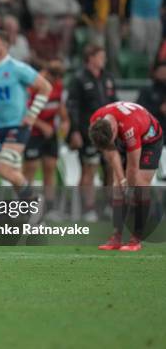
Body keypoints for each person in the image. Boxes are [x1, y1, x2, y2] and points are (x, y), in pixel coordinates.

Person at [0, 31, 52, 201]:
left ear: (6, 46)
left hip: (18, 125)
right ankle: (30, 213)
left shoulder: (18, 68)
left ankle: (37, 203)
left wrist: (32, 116)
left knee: (2, 169)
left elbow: (46, 87)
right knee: (14, 173)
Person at [89, 102, 163, 251]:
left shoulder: (129, 127)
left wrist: (129, 189)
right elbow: (111, 152)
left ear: (114, 129)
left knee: (140, 186)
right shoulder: (95, 120)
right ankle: (116, 237)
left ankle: (136, 239)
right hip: (125, 136)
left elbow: (133, 167)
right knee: (117, 185)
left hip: (150, 140)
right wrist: (121, 180)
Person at [67, 44, 117, 221]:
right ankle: (88, 208)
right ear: (91, 58)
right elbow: (72, 106)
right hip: (87, 132)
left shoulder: (108, 78)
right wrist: (74, 131)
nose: (104, 59)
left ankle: (109, 206)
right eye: (101, 56)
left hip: (107, 133)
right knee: (89, 168)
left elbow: (114, 104)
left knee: (111, 168)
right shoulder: (79, 79)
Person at [23, 60, 70, 215]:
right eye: (53, 79)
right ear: (47, 74)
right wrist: (42, 126)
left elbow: (60, 106)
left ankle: (49, 208)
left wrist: (65, 121)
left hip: (50, 134)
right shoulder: (33, 85)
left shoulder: (58, 84)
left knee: (50, 167)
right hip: (32, 133)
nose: (56, 83)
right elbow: (24, 113)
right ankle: (25, 207)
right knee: (30, 169)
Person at [136, 61, 166, 140]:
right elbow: (139, 108)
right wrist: (159, 109)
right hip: (152, 130)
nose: (163, 73)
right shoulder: (146, 90)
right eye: (161, 71)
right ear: (155, 73)